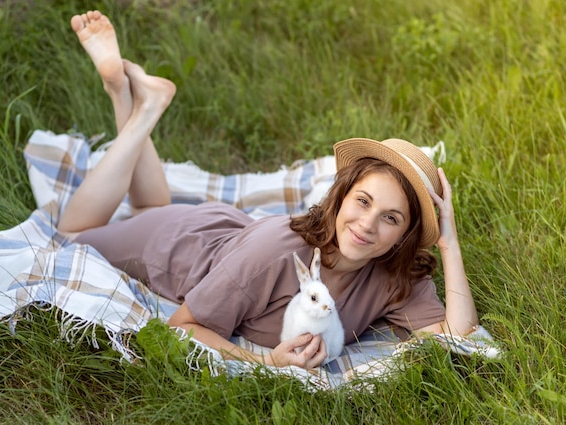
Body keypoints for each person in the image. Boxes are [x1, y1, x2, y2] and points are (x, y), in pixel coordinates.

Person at [60, 10, 479, 370]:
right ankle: (137, 104)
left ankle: (132, 96)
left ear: (405, 235)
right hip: (176, 247)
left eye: (391, 218)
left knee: (148, 204)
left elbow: (458, 336)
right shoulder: (276, 254)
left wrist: (449, 243)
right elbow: (183, 326)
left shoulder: (393, 274)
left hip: (227, 233)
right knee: (72, 234)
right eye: (363, 201)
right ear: (341, 197)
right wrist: (268, 362)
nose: (367, 225)